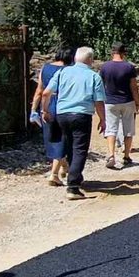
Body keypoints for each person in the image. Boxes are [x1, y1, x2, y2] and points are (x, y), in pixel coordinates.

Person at [43, 47, 106, 198]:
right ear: (90, 60)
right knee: (80, 149)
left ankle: (75, 175)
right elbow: (98, 101)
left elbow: (46, 93)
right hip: (81, 115)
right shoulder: (93, 77)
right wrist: (103, 119)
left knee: (70, 145)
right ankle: (73, 186)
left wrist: (45, 111)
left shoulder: (62, 72)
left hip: (62, 115)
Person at [30, 45, 73, 186]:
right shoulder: (69, 70)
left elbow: (39, 90)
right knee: (64, 140)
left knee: (53, 138)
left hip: (47, 104)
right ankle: (54, 174)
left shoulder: (45, 68)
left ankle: (64, 165)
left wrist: (34, 110)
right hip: (63, 104)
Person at [99, 42, 139, 170]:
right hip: (127, 101)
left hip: (110, 101)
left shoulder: (105, 67)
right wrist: (137, 102)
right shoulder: (129, 67)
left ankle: (111, 155)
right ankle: (126, 156)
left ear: (112, 52)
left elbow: (101, 85)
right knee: (128, 129)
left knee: (111, 129)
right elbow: (134, 87)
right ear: (124, 52)